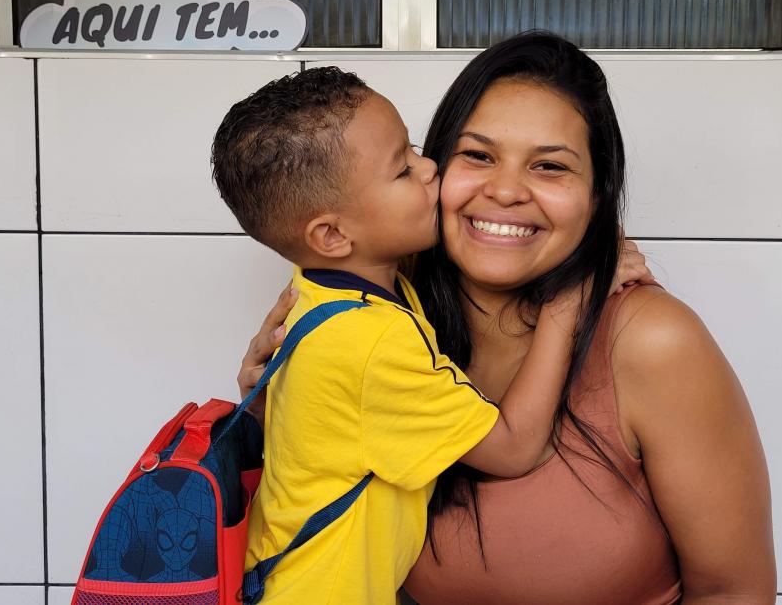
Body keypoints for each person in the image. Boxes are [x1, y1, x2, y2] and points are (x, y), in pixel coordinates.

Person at [238, 32, 776, 604]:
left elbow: (734, 592)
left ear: (596, 198)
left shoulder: (653, 341)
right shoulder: (378, 315)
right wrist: (270, 409)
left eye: (550, 166)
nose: (506, 191)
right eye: (477, 155)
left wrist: (573, 299)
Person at [210, 67, 651, 605]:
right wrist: (569, 300)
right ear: (331, 235)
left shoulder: (330, 286)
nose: (430, 168)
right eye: (402, 170)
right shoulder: (370, 342)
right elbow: (514, 448)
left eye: (415, 150)